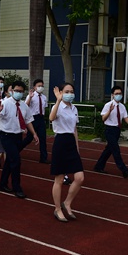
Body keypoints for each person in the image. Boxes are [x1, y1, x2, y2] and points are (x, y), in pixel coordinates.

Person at [0, 80, 39, 198]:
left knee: (10, 161)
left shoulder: (24, 105)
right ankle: (17, 187)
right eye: (16, 90)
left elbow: (28, 120)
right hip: (6, 135)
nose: (19, 93)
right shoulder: (4, 103)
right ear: (12, 91)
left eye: (21, 91)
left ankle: (2, 184)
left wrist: (34, 134)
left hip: (18, 135)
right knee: (16, 160)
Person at [50, 83, 84, 222]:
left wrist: (77, 147)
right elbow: (51, 118)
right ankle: (57, 208)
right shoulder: (57, 106)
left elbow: (74, 129)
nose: (70, 94)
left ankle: (67, 202)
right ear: (61, 93)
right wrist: (58, 101)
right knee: (59, 179)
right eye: (66, 91)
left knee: (80, 177)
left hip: (71, 142)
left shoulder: (74, 108)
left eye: (71, 91)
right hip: (60, 142)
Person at [94, 86, 128, 178]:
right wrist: (109, 111)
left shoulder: (122, 107)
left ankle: (98, 166)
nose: (118, 95)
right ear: (112, 95)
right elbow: (103, 118)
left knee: (108, 150)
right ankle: (124, 170)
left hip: (117, 130)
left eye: (120, 93)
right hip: (109, 129)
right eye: (116, 94)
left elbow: (125, 118)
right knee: (116, 150)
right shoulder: (108, 105)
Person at [23, 79, 49, 163]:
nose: (41, 87)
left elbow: (44, 108)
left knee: (43, 138)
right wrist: (30, 97)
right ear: (34, 87)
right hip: (33, 118)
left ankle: (43, 158)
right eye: (39, 86)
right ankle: (17, 149)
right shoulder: (31, 95)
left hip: (41, 118)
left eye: (42, 86)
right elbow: (26, 106)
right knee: (29, 138)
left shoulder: (44, 97)